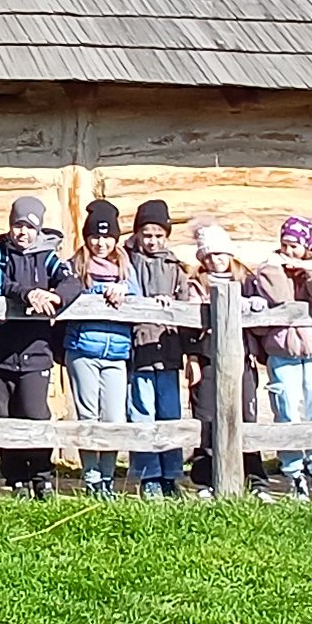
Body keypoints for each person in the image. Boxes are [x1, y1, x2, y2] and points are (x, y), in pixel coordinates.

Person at [0, 196, 80, 499]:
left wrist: (54, 297)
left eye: (28, 226)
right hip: (0, 352)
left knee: (34, 413)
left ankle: (41, 475)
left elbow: (72, 282)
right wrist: (27, 294)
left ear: (38, 229)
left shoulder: (49, 257)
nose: (22, 232)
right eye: (17, 225)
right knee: (4, 416)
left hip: (36, 351)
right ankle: (15, 478)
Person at [249, 216, 312, 499]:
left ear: (308, 247)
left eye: (296, 246)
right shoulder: (268, 271)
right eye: (285, 244)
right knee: (286, 410)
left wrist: (311, 271)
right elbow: (281, 300)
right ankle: (294, 473)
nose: (289, 251)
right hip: (283, 352)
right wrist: (274, 269)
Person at [65, 200, 138, 498]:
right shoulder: (75, 265)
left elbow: (139, 294)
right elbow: (67, 291)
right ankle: (92, 477)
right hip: (83, 348)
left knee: (113, 418)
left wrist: (126, 290)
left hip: (116, 352)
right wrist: (97, 292)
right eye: (95, 236)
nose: (100, 243)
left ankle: (107, 477)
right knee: (89, 415)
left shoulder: (125, 267)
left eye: (107, 237)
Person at [121, 200, 193, 498]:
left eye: (158, 235)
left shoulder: (174, 266)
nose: (152, 241)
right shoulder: (126, 259)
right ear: (137, 233)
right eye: (146, 234)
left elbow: (186, 303)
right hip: (139, 349)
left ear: (166, 236)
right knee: (141, 412)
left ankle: (171, 474)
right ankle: (148, 475)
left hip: (168, 350)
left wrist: (173, 307)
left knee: (169, 412)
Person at [184, 223, 255, 497]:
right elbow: (190, 325)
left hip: (241, 356)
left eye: (220, 254)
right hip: (208, 357)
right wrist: (192, 358)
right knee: (207, 417)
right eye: (209, 256)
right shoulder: (196, 285)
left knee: (245, 415)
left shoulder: (246, 282)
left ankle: (253, 478)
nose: (216, 261)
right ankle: (205, 479)